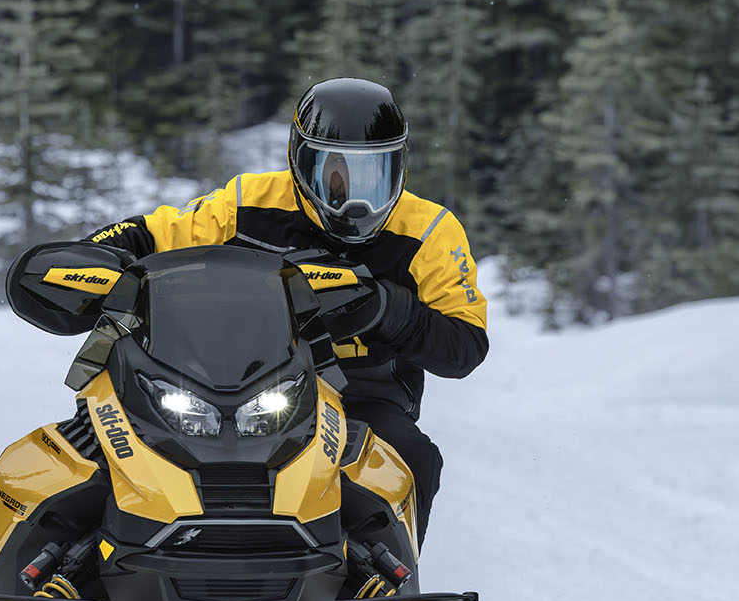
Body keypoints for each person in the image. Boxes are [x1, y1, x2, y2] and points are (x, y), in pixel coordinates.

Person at [82, 77, 486, 538]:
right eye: (335, 172)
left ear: (400, 166)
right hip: (231, 378)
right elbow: (152, 234)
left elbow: (465, 346)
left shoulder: (430, 230)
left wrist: (385, 308)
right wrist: (87, 257)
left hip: (361, 394)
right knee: (103, 445)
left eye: (374, 173)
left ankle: (384, 592)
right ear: (300, 159)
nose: (354, 195)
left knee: (410, 459)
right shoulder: (246, 203)